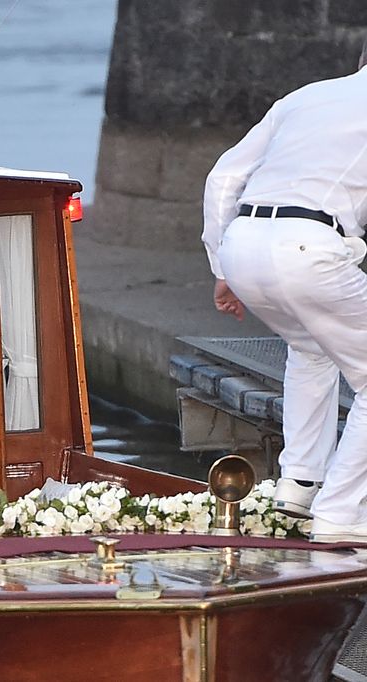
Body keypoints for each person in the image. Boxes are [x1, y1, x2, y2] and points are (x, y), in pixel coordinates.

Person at [202, 41, 367, 542]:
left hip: (244, 240)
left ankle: (298, 482)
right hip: (310, 247)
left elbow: (223, 176)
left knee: (311, 348)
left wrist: (221, 264)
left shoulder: (305, 97)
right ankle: (342, 515)